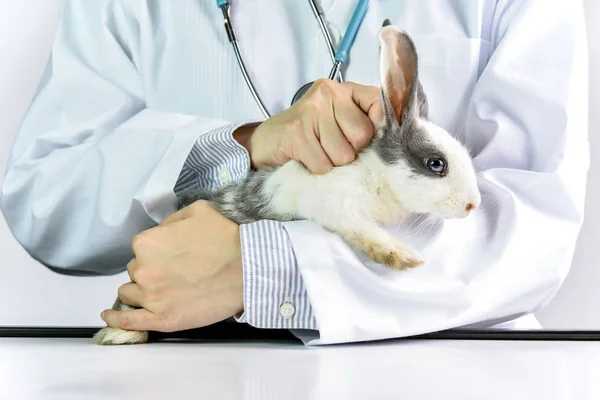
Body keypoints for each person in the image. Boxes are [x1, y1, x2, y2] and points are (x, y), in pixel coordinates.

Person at [0, 0, 589, 345]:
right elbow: (44, 197)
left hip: (448, 366)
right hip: (192, 373)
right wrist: (246, 146)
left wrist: (270, 271)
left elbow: (536, 223)